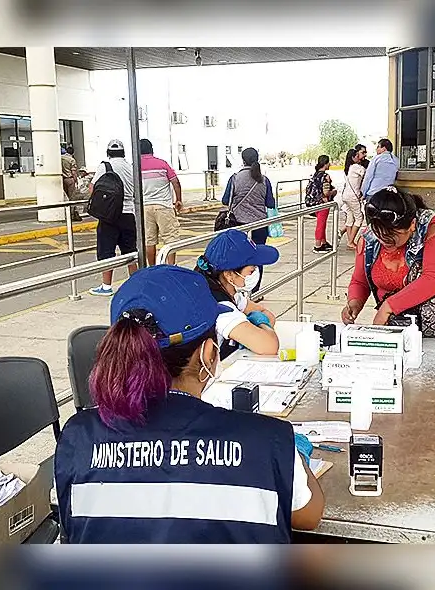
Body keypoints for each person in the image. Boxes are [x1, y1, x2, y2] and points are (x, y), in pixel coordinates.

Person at [54, 265, 324, 543]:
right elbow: (309, 515)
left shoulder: (77, 438)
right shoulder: (268, 440)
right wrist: (296, 457)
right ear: (208, 353)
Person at [342, 186, 435, 326]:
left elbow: (434, 278)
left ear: (412, 225)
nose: (384, 240)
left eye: (392, 235)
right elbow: (360, 281)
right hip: (394, 323)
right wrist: (354, 303)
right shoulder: (369, 237)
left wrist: (389, 307)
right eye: (379, 233)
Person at [194, 229, 281, 359]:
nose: (256, 273)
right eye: (251, 271)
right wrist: (259, 324)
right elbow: (269, 346)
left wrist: (252, 327)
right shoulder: (219, 305)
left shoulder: (227, 290)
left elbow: (266, 314)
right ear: (229, 274)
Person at [221, 147, 276, 290]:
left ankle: (239, 288)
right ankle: (255, 291)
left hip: (239, 225)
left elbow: (226, 200)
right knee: (258, 257)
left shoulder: (234, 178)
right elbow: (270, 203)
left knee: (239, 257)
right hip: (260, 225)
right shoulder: (264, 180)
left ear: (243, 160)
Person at [88, 139, 138, 296]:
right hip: (128, 213)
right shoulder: (131, 168)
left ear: (108, 153)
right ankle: (135, 284)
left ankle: (106, 286)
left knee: (106, 252)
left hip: (109, 215)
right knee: (130, 251)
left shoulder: (105, 166)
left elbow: (93, 188)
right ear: (123, 153)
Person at [139, 139, 183, 266]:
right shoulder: (162, 164)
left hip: (145, 207)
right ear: (151, 149)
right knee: (170, 239)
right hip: (163, 206)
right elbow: (176, 182)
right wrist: (178, 200)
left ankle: (152, 267)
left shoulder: (135, 166)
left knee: (149, 240)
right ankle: (170, 266)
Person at [339, 146, 367, 250]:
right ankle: (351, 241)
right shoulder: (356, 167)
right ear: (354, 157)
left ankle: (350, 241)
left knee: (350, 218)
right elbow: (366, 174)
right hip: (353, 196)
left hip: (346, 195)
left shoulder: (349, 167)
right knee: (359, 218)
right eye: (358, 155)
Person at [307, 155, 335, 252]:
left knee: (321, 223)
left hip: (313, 203)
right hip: (323, 203)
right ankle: (318, 245)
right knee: (321, 224)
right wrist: (333, 192)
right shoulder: (325, 176)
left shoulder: (315, 175)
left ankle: (323, 242)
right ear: (326, 164)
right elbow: (326, 192)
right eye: (329, 163)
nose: (330, 164)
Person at [60, 145, 82, 221]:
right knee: (72, 198)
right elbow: (73, 171)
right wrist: (76, 180)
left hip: (62, 179)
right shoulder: (71, 160)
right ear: (73, 153)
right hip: (70, 180)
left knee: (65, 198)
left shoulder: (60, 158)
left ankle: (65, 214)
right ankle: (72, 215)